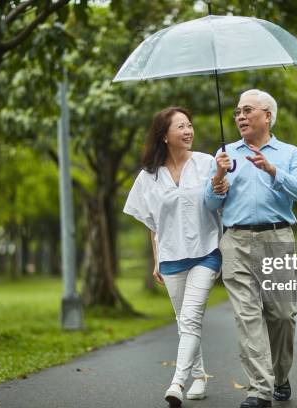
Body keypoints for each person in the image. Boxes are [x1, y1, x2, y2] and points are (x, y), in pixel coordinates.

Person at [204, 89, 297, 408]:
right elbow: (210, 203)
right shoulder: (225, 154)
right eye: (237, 111)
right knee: (247, 314)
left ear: (267, 115)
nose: (239, 116)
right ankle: (259, 389)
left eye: (247, 110)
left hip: (276, 239)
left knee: (282, 315)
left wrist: (272, 171)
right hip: (235, 241)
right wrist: (218, 177)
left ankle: (280, 376)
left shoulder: (290, 153)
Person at [123, 107, 229, 407]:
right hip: (171, 258)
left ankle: (177, 382)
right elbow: (152, 225)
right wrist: (157, 259)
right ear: (164, 136)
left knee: (192, 316)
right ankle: (198, 375)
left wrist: (221, 178)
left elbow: (219, 200)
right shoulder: (149, 177)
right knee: (185, 322)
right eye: (181, 126)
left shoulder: (207, 162)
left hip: (206, 251)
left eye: (190, 125)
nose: (188, 131)